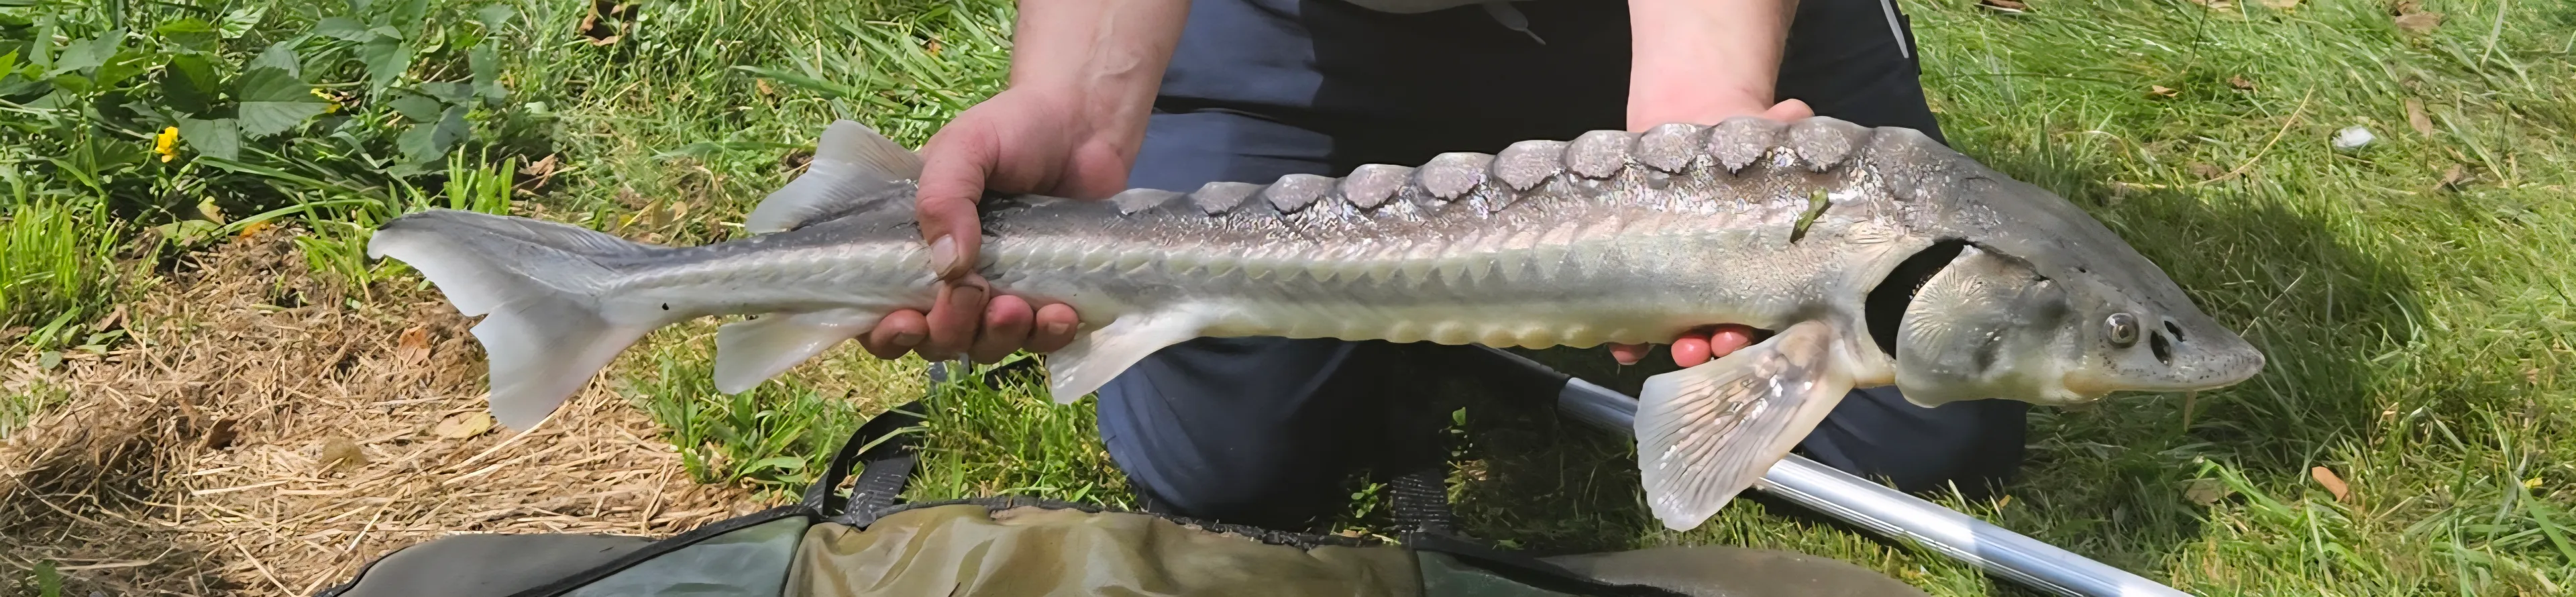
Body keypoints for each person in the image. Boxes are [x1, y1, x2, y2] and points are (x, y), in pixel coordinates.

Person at [851, 0, 2031, 531]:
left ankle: (1492, 286)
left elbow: (1704, 108)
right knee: (1232, 468)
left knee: (1936, 417)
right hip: (1296, 22)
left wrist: (1703, 123)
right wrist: (1078, 101)